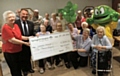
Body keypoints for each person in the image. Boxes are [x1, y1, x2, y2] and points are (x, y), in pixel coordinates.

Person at [1, 10, 29, 76]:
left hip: (18, 51)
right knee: (15, 70)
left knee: (19, 68)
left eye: (13, 17)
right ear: (5, 19)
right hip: (10, 52)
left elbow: (19, 36)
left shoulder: (15, 25)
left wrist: (29, 38)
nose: (12, 18)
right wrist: (25, 43)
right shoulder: (5, 27)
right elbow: (12, 40)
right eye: (9, 17)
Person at [15, 8, 35, 76]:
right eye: (23, 14)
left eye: (26, 14)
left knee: (28, 56)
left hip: (29, 43)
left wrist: (36, 34)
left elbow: (33, 33)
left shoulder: (31, 23)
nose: (25, 16)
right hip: (20, 43)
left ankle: (29, 68)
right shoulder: (15, 23)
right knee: (22, 58)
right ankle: (24, 70)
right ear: (19, 14)